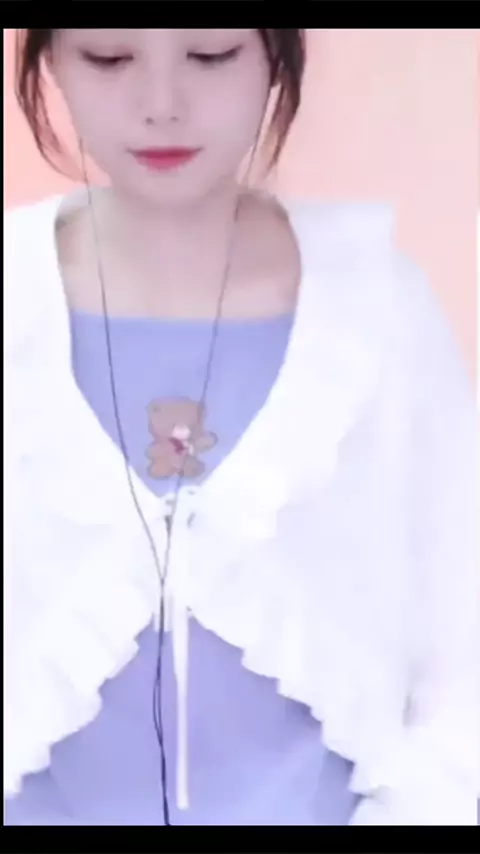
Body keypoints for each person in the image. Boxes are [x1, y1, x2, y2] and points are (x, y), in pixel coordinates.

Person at [4, 28, 478, 826]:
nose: (162, 105)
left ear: (276, 58)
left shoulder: (377, 310)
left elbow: (463, 663)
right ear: (49, 59)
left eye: (211, 56)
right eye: (110, 59)